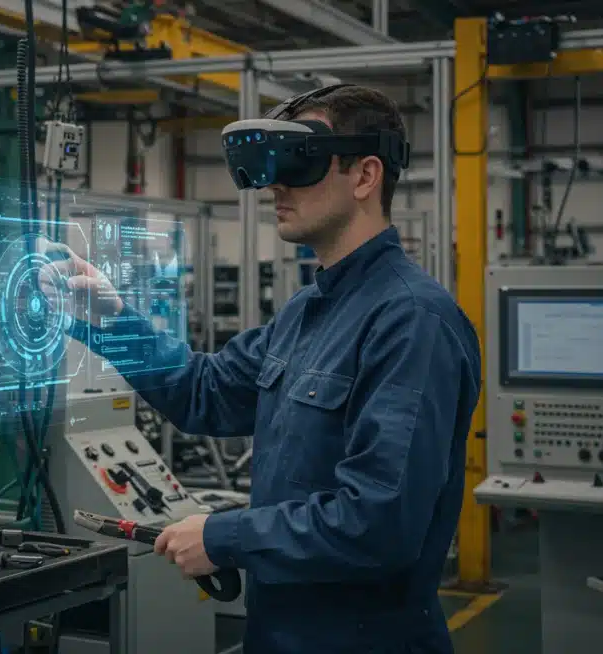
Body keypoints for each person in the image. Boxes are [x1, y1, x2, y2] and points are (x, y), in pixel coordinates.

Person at [49, 84, 481, 653]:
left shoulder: (413, 322)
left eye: (299, 164)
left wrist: (223, 536)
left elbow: (380, 523)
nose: (276, 185)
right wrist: (110, 319)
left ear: (365, 175)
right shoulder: (309, 310)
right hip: (278, 633)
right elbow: (206, 392)